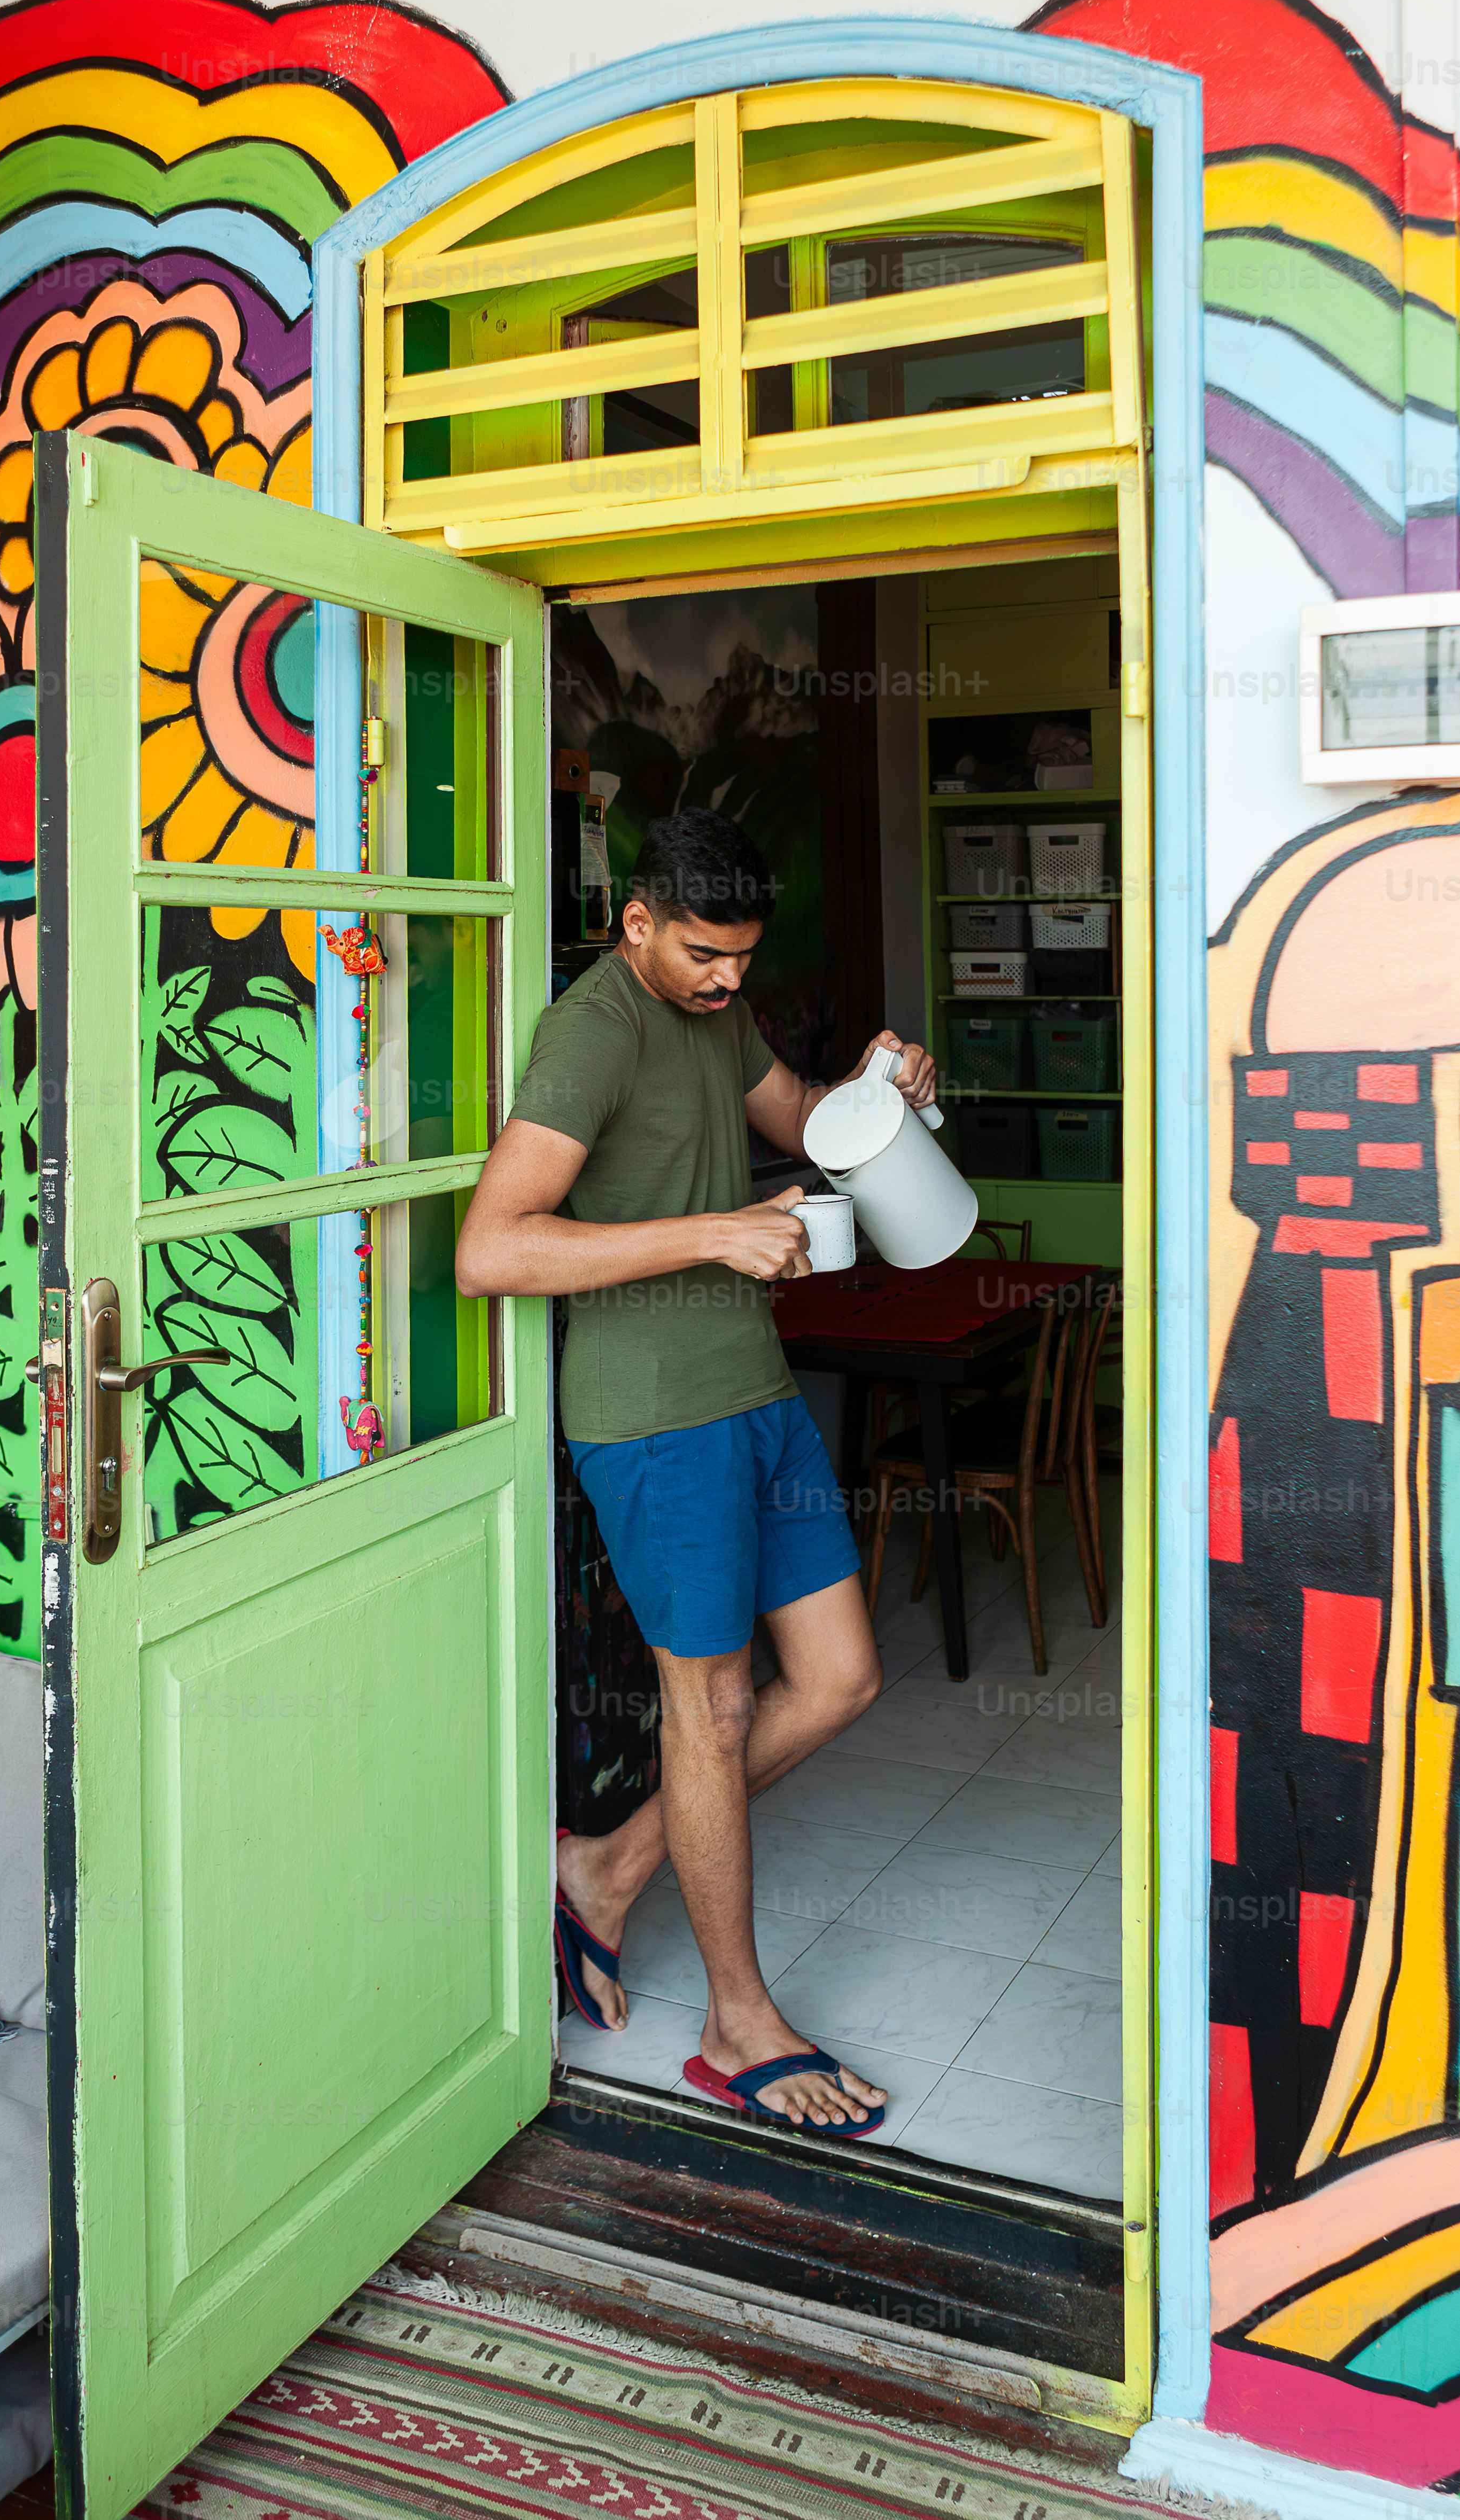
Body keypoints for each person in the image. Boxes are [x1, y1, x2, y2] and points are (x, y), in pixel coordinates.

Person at [454, 806, 938, 2134]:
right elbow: (494, 1249)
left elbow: (809, 1124)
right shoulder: (593, 1032)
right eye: (707, 955)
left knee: (839, 1678)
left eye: (743, 956)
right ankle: (735, 2022)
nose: (730, 979)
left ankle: (603, 1866)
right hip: (653, 1415)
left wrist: (888, 1103)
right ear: (640, 925)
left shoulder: (719, 1016)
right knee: (710, 1715)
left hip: (754, 1392)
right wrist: (712, 1233)